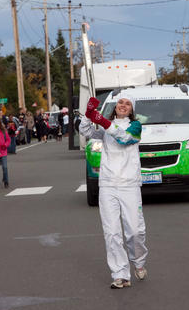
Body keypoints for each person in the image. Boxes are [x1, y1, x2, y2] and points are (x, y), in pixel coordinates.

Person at [79, 94, 148, 289]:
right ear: (115, 106)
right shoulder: (105, 127)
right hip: (108, 184)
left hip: (129, 185)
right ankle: (120, 274)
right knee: (112, 232)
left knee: (135, 231)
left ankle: (139, 261)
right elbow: (85, 131)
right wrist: (88, 114)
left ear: (131, 110)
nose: (123, 105)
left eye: (127, 103)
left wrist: (102, 121)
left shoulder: (135, 127)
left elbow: (124, 138)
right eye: (120, 102)